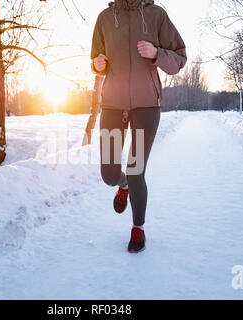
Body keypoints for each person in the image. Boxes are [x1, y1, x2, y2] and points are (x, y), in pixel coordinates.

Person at [91, 0, 187, 253]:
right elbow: (96, 59)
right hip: (112, 105)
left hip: (146, 106)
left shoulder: (156, 15)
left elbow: (180, 57)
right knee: (109, 174)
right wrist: (96, 65)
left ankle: (138, 229)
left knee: (136, 170)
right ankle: (122, 185)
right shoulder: (104, 17)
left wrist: (157, 53)